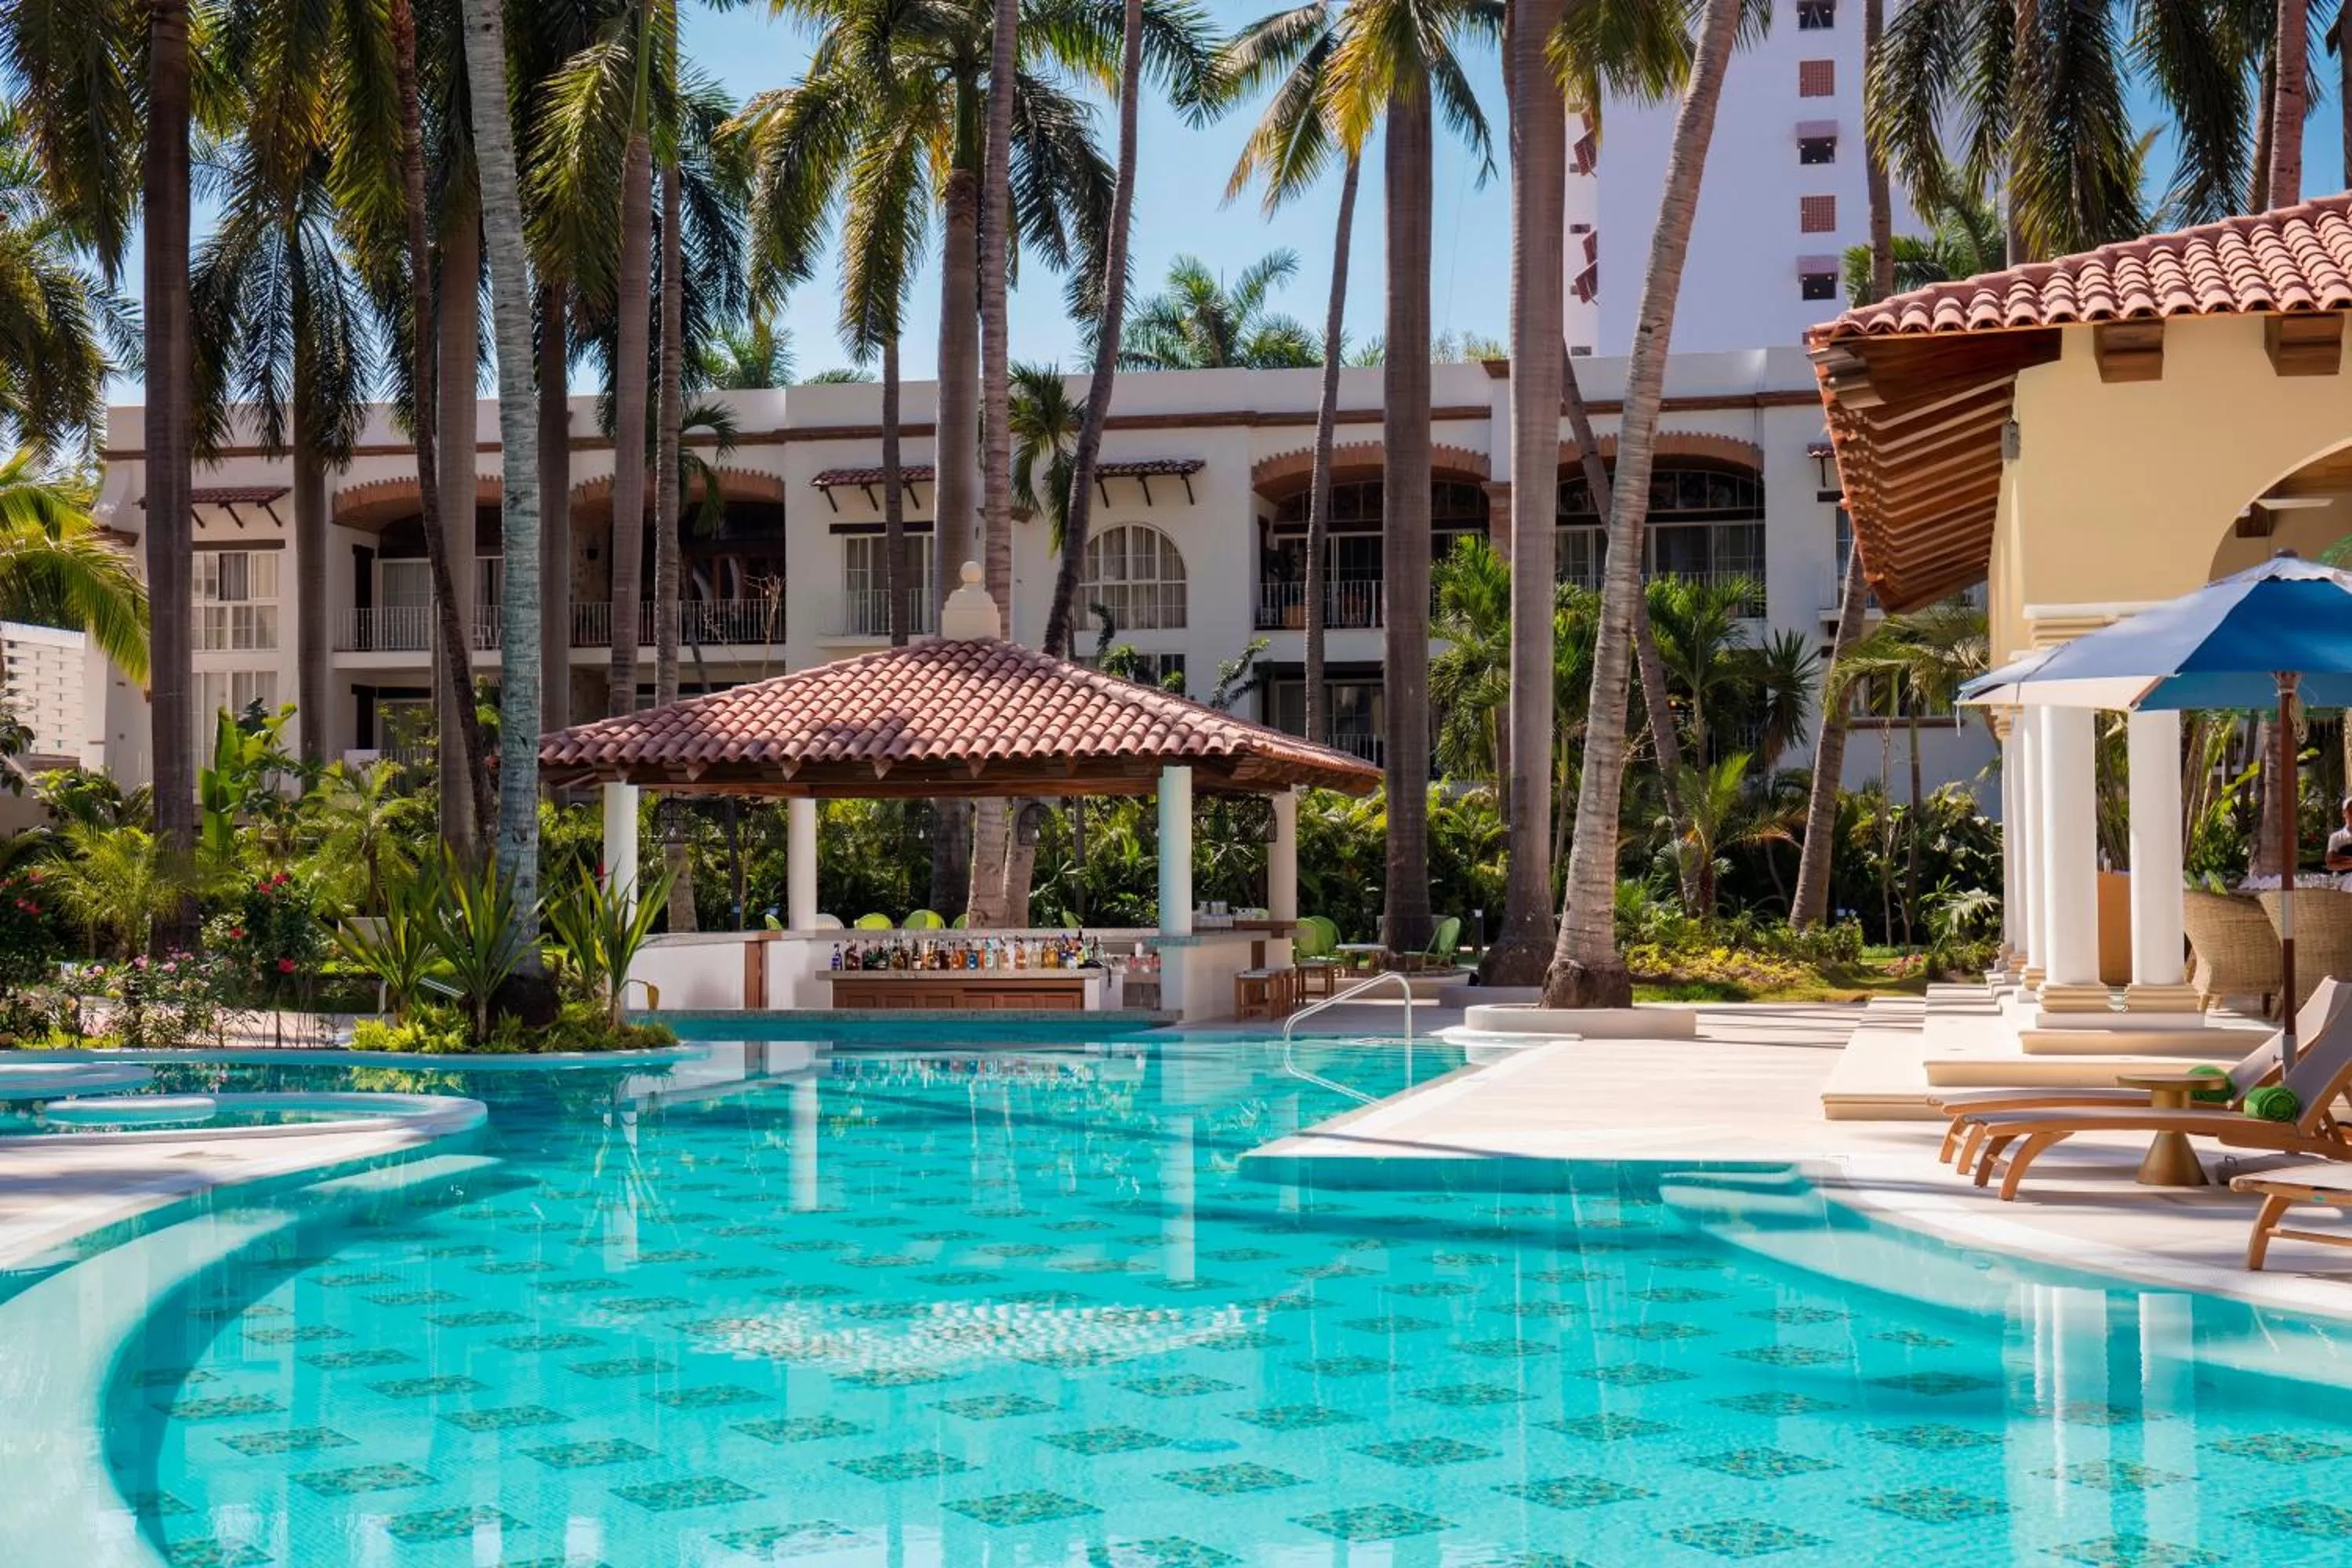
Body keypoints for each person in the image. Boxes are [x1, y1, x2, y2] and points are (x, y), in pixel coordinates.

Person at [2328, 797, 2352, 873]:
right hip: (2344, 880)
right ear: (2344, 813)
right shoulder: (2336, 837)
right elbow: (2330, 862)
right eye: (2350, 810)